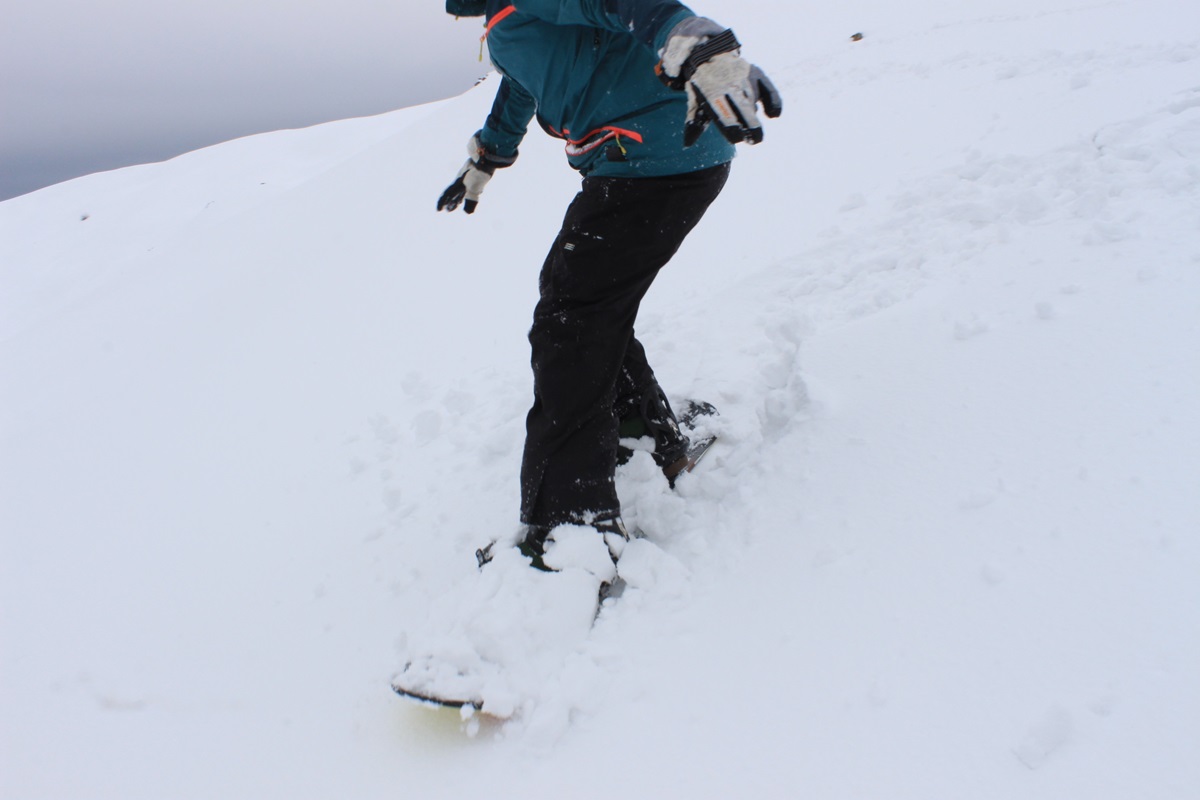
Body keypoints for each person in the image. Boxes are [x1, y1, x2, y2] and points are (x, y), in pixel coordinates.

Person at [438, 0, 781, 566]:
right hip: (649, 162)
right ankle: (645, 441)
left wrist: (695, 40)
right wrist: (489, 156)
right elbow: (523, 84)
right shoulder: (508, 20)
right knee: (588, 307)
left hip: (655, 163)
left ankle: (572, 529)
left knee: (569, 325)